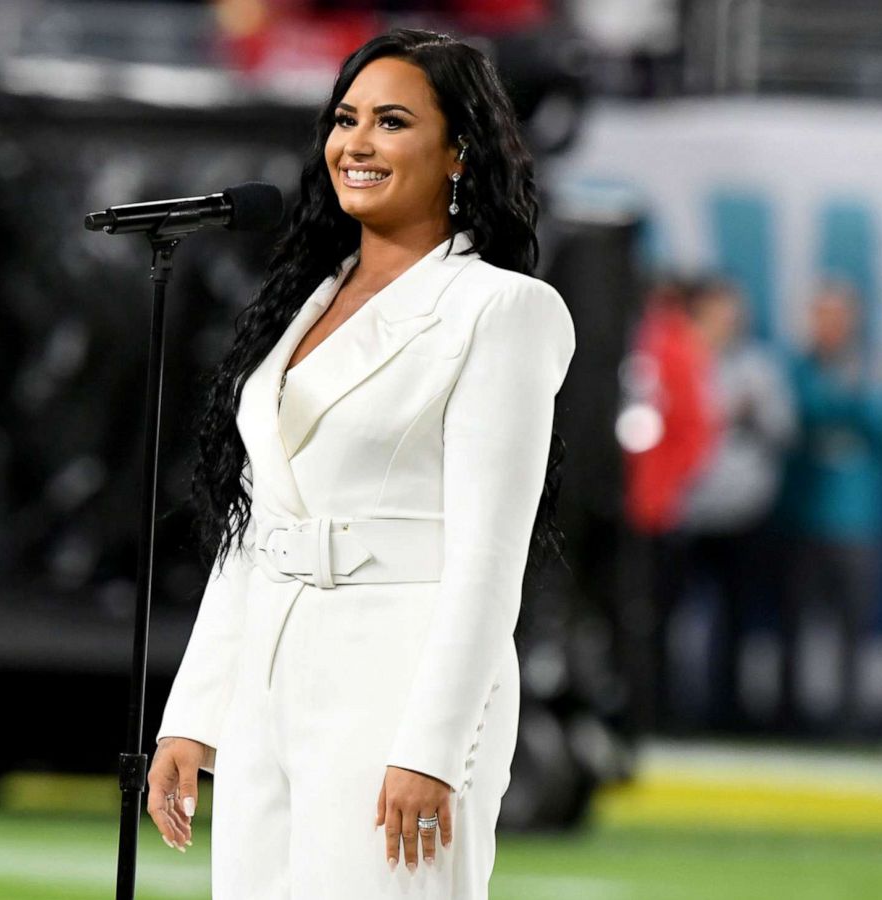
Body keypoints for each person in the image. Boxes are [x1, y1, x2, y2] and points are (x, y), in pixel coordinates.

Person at [146, 30, 576, 899]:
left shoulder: (501, 310)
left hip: (398, 684)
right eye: (345, 119)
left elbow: (491, 560)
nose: (357, 143)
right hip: (270, 685)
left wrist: (431, 748)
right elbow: (258, 527)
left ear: (459, 151)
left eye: (391, 121)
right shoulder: (299, 307)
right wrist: (193, 717)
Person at [678, 277, 795, 732]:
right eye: (719, 310)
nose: (728, 320)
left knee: (737, 621)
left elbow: (786, 431)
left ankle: (728, 712)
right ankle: (670, 706)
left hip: (745, 514)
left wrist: (754, 415)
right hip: (684, 512)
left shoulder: (759, 367)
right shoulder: (679, 360)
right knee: (673, 618)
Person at [776, 280, 882, 736]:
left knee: (853, 632)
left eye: (838, 316)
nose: (829, 325)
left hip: (855, 524)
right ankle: (788, 716)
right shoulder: (797, 369)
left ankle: (849, 720)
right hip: (803, 518)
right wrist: (844, 403)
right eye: (821, 315)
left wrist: (846, 403)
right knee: (793, 628)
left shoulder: (870, 369)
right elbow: (796, 419)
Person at [616, 275, 717, 736]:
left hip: (643, 514)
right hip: (639, 509)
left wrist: (658, 490)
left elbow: (696, 432)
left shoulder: (665, 345)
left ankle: (641, 715)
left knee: (643, 620)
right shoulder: (667, 344)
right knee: (641, 620)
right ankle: (637, 713)